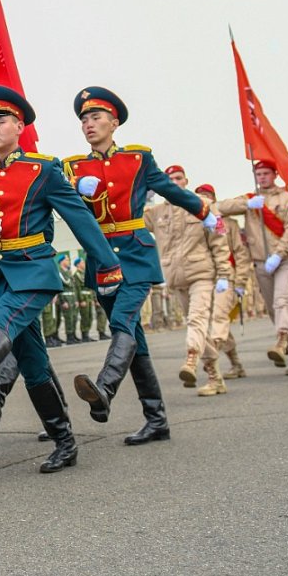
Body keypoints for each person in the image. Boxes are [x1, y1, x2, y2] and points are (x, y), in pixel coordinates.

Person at [0, 86, 121, 472]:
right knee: (33, 365)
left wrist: (107, 263)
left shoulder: (43, 169)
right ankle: (64, 440)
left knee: (4, 323)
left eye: (0, 121)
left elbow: (80, 218)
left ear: (19, 125)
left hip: (33, 270)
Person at [62, 87, 215, 445]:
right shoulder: (73, 167)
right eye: (84, 119)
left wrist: (203, 211)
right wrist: (73, 184)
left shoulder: (138, 159)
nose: (89, 124)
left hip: (134, 253)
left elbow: (169, 190)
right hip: (101, 258)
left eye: (96, 117)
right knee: (134, 340)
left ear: (114, 123)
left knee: (121, 322)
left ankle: (105, 389)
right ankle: (156, 419)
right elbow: (53, 194)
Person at [217, 161, 288, 376]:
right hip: (261, 263)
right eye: (258, 174)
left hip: (286, 260)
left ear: (274, 174)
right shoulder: (250, 199)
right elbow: (220, 207)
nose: (262, 177)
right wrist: (247, 205)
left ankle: (281, 342)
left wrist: (278, 253)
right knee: (273, 310)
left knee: (282, 303)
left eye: (266, 173)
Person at [147, 165, 233, 396]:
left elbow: (219, 242)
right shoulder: (156, 213)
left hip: (201, 274)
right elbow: (131, 219)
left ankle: (191, 360)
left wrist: (224, 274)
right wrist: (140, 194)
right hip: (175, 277)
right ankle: (215, 378)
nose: (174, 182)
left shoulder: (203, 205)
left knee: (196, 320)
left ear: (186, 180)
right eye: (169, 179)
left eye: (178, 178)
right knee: (198, 327)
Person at [195, 183, 250, 382]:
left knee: (219, 317)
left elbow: (241, 254)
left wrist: (242, 282)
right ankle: (236, 364)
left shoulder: (230, 224)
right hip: (204, 278)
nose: (204, 199)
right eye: (200, 196)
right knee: (214, 321)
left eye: (207, 196)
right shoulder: (194, 224)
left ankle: (213, 353)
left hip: (226, 277)